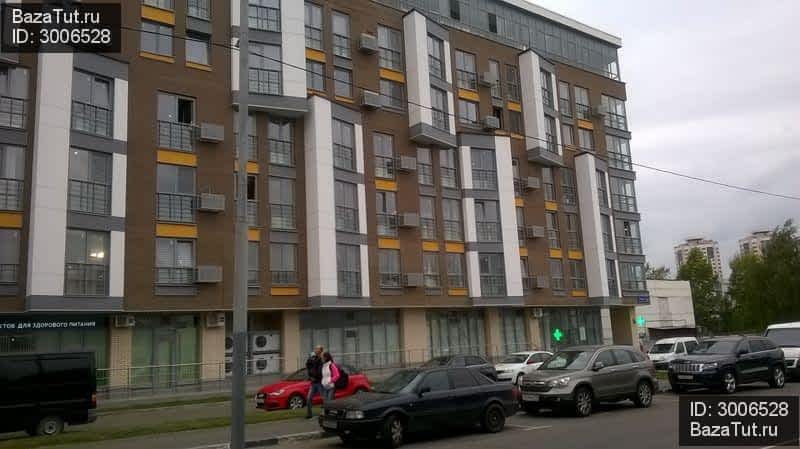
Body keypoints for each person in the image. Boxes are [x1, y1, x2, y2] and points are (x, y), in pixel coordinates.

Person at [305, 345, 324, 419]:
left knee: (324, 398)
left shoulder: (322, 359)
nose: (315, 350)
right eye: (315, 348)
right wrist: (310, 377)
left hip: (319, 382)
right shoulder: (313, 358)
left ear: (320, 350)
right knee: (309, 398)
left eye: (317, 349)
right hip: (313, 382)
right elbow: (309, 366)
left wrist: (315, 376)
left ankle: (326, 412)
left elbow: (320, 371)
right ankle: (309, 414)